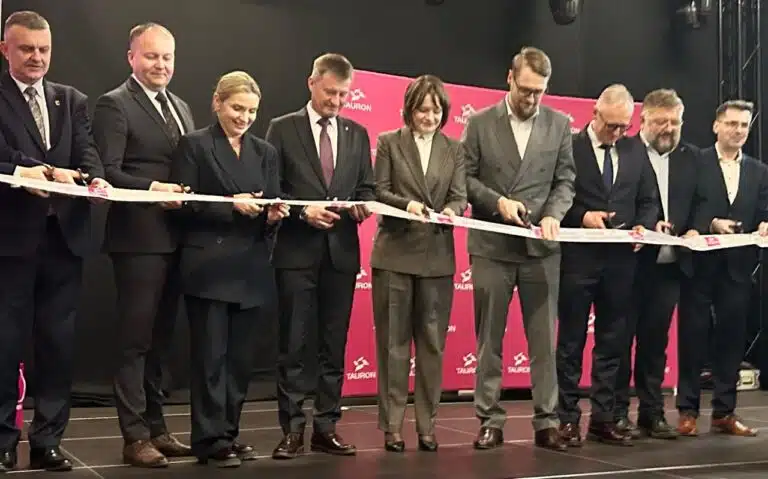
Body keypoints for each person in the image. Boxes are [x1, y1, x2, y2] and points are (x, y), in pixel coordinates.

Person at [0, 10, 111, 472]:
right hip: (10, 242)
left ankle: (48, 440)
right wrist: (37, 170)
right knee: (5, 344)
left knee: (58, 345)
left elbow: (88, 153)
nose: (37, 57)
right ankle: (3, 442)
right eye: (27, 49)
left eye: (43, 49)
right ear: (5, 49)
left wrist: (91, 178)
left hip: (65, 240)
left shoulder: (71, 99)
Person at [169, 71, 289, 467]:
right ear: (217, 103)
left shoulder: (265, 152)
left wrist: (273, 214)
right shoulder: (194, 145)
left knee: (239, 362)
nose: (244, 117)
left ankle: (229, 433)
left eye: (251, 111)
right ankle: (209, 438)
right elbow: (184, 204)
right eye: (238, 108)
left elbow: (271, 201)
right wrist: (230, 205)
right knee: (210, 359)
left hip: (249, 266)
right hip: (209, 265)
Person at [462, 46, 575, 451]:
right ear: (510, 78)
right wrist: (497, 202)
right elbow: (464, 178)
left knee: (544, 342)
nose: (531, 99)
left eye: (539, 92)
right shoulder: (478, 123)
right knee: (489, 339)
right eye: (525, 89)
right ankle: (489, 419)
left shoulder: (560, 124)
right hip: (492, 245)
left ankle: (547, 421)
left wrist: (555, 214)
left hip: (540, 249)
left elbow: (565, 181)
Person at [92, 22, 194, 467]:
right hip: (137, 240)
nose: (161, 65)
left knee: (161, 341)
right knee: (135, 342)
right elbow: (107, 171)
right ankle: (134, 437)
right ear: (131, 57)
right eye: (152, 56)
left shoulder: (182, 107)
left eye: (167, 57)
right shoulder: (114, 104)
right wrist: (154, 189)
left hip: (177, 237)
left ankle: (157, 428)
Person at [265, 53, 375, 459]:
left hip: (341, 255)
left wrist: (363, 206)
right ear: (312, 82)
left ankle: (326, 427)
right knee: (293, 346)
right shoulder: (282, 128)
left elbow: (367, 187)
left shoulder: (358, 133)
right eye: (331, 92)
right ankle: (292, 430)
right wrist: (302, 212)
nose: (337, 101)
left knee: (333, 346)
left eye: (344, 95)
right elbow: (272, 188)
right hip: (296, 253)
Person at [556, 84, 659, 447]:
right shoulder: (570, 147)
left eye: (624, 127)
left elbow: (649, 199)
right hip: (578, 259)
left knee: (612, 342)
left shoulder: (635, 150)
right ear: (594, 114)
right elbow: (556, 198)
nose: (617, 133)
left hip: (621, 262)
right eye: (611, 125)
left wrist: (643, 226)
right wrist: (582, 217)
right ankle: (566, 418)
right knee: (570, 342)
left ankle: (604, 418)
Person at [370, 75, 467, 453]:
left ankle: (427, 426)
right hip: (394, 255)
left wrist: (452, 210)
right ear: (409, 110)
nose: (429, 117)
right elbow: (378, 191)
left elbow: (460, 197)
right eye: (422, 109)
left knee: (432, 346)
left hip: (437, 259)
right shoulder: (389, 142)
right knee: (393, 346)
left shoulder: (454, 149)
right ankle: (392, 427)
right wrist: (406, 205)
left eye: (436, 111)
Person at [676, 100, 768, 437]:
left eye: (744, 125)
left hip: (738, 267)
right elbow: (682, 207)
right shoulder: (694, 162)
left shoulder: (759, 170)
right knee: (693, 338)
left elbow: (763, 210)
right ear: (716, 126)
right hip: (699, 266)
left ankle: (724, 412)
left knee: (731, 341)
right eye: (732, 124)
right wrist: (709, 224)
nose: (738, 131)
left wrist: (765, 223)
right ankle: (687, 411)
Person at [614, 89, 700, 440]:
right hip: (630, 264)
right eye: (661, 121)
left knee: (655, 344)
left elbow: (700, 202)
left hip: (670, 267)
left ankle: (652, 413)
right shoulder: (624, 151)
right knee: (620, 341)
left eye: (675, 122)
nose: (668, 128)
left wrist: (694, 227)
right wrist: (646, 226)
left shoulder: (691, 158)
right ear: (643, 119)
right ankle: (617, 413)